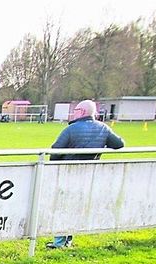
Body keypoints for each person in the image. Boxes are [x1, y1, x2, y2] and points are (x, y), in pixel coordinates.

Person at [46, 99, 125, 249]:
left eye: (75, 110)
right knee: (75, 206)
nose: (73, 113)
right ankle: (67, 240)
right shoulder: (103, 129)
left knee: (63, 206)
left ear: (81, 112)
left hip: (68, 174)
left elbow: (55, 151)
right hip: (89, 176)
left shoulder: (71, 129)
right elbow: (119, 144)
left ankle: (60, 242)